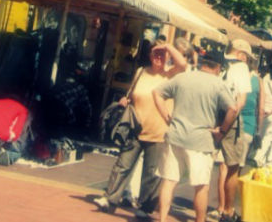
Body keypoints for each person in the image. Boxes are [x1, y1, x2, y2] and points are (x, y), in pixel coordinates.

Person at [93, 41, 188, 218]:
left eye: (162, 54)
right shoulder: (140, 72)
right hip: (135, 128)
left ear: (168, 55)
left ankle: (144, 208)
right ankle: (110, 198)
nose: (158, 57)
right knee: (122, 165)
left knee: (151, 173)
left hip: (159, 132)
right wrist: (126, 100)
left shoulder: (170, 75)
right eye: (155, 53)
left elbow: (183, 64)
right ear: (149, 55)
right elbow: (132, 94)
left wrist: (167, 46)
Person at [153, 49, 237, 222]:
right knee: (201, 187)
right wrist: (221, 131)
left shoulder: (184, 77)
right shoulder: (218, 84)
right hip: (201, 140)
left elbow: (157, 93)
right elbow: (233, 109)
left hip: (176, 135)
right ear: (219, 67)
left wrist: (167, 118)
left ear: (203, 62)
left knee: (169, 181)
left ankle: (161, 219)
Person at [215, 39, 253, 222]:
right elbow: (241, 101)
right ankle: (228, 211)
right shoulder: (241, 68)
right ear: (241, 55)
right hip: (229, 121)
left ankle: (219, 207)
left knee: (213, 166)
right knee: (232, 167)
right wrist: (226, 125)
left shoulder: (221, 64)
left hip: (212, 115)